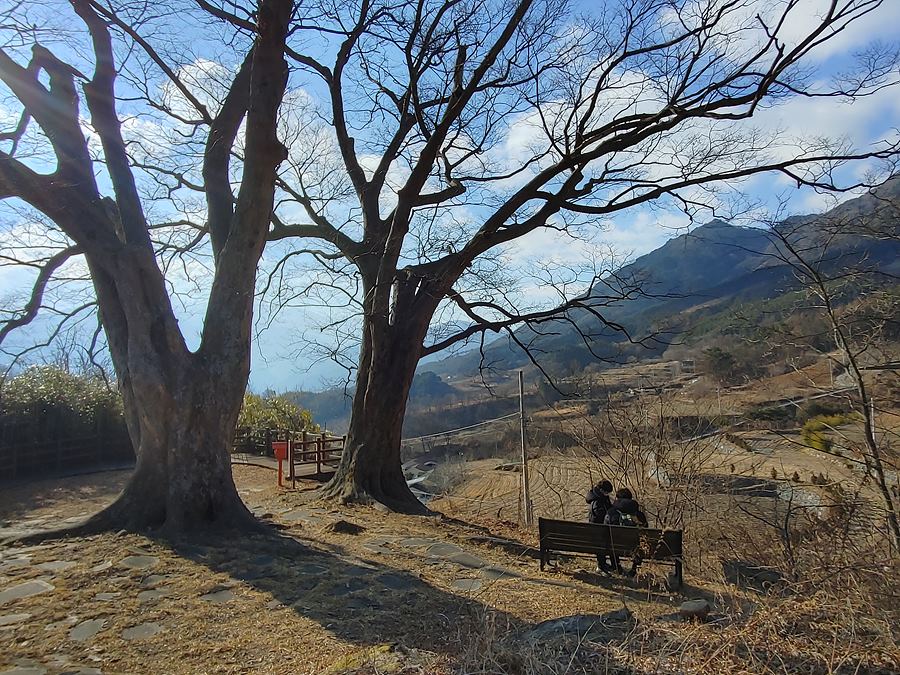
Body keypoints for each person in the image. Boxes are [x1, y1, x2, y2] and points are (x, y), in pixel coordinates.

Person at [604, 487, 649, 577]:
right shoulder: (639, 514)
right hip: (633, 548)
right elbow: (645, 530)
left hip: (614, 546)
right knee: (640, 543)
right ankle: (634, 569)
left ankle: (616, 567)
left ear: (617, 498)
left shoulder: (611, 512)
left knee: (611, 539)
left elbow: (605, 529)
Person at [586, 480, 616, 573]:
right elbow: (600, 515)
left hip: (598, 529)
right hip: (599, 529)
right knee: (607, 541)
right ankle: (601, 566)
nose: (608, 494)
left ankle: (604, 564)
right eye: (607, 492)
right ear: (602, 490)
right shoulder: (597, 501)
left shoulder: (598, 497)